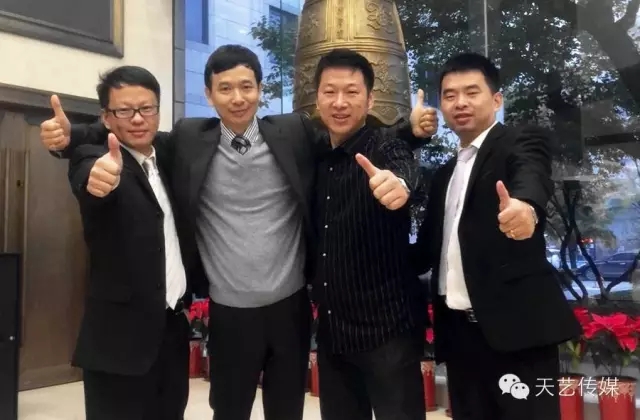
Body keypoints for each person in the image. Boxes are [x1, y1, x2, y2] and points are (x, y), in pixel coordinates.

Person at [40, 45, 437, 420]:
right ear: (209, 94)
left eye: (247, 86)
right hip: (229, 312)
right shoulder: (190, 140)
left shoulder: (292, 133)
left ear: (261, 90)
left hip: (290, 309)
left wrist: (411, 134)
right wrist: (70, 138)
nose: (237, 98)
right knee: (229, 410)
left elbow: (355, 139)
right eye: (225, 88)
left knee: (287, 409)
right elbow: (131, 132)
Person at [412, 52, 581, 420]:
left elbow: (531, 176)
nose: (460, 103)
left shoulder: (519, 141)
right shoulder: (444, 175)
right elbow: (425, 252)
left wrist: (526, 209)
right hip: (460, 336)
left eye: (472, 92)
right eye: (450, 95)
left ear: (496, 99)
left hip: (517, 333)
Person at [63, 66, 191, 420]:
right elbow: (88, 176)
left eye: (146, 108)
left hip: (172, 331)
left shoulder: (167, 155)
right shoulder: (91, 156)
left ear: (158, 111)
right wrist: (96, 179)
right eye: (123, 110)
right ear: (106, 117)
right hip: (118, 342)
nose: (137, 119)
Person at [311, 48, 427, 420]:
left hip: (386, 334)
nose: (340, 103)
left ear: (370, 99)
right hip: (334, 335)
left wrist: (401, 186)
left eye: (352, 92)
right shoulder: (316, 155)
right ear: (317, 98)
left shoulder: (385, 147)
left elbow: (404, 168)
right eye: (330, 92)